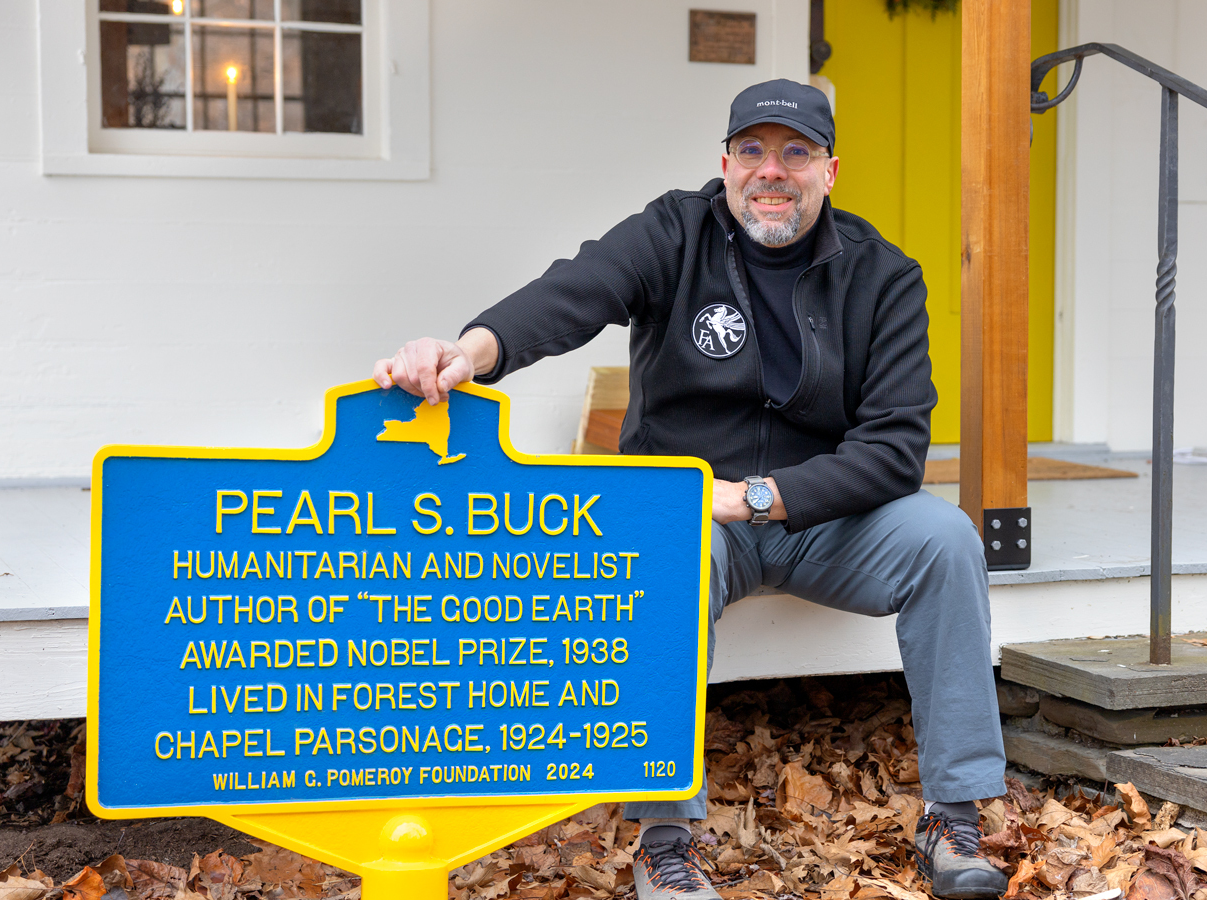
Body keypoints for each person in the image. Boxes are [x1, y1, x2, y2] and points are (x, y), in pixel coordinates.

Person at [373, 79, 1008, 900]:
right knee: (663, 551)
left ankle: (953, 816)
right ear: (726, 162)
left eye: (795, 153)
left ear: (830, 169)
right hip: (690, 515)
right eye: (753, 150)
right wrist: (474, 349)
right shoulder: (675, 231)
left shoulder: (884, 276)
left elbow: (894, 451)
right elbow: (572, 292)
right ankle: (665, 839)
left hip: (824, 516)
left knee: (947, 538)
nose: (770, 171)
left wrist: (755, 497)